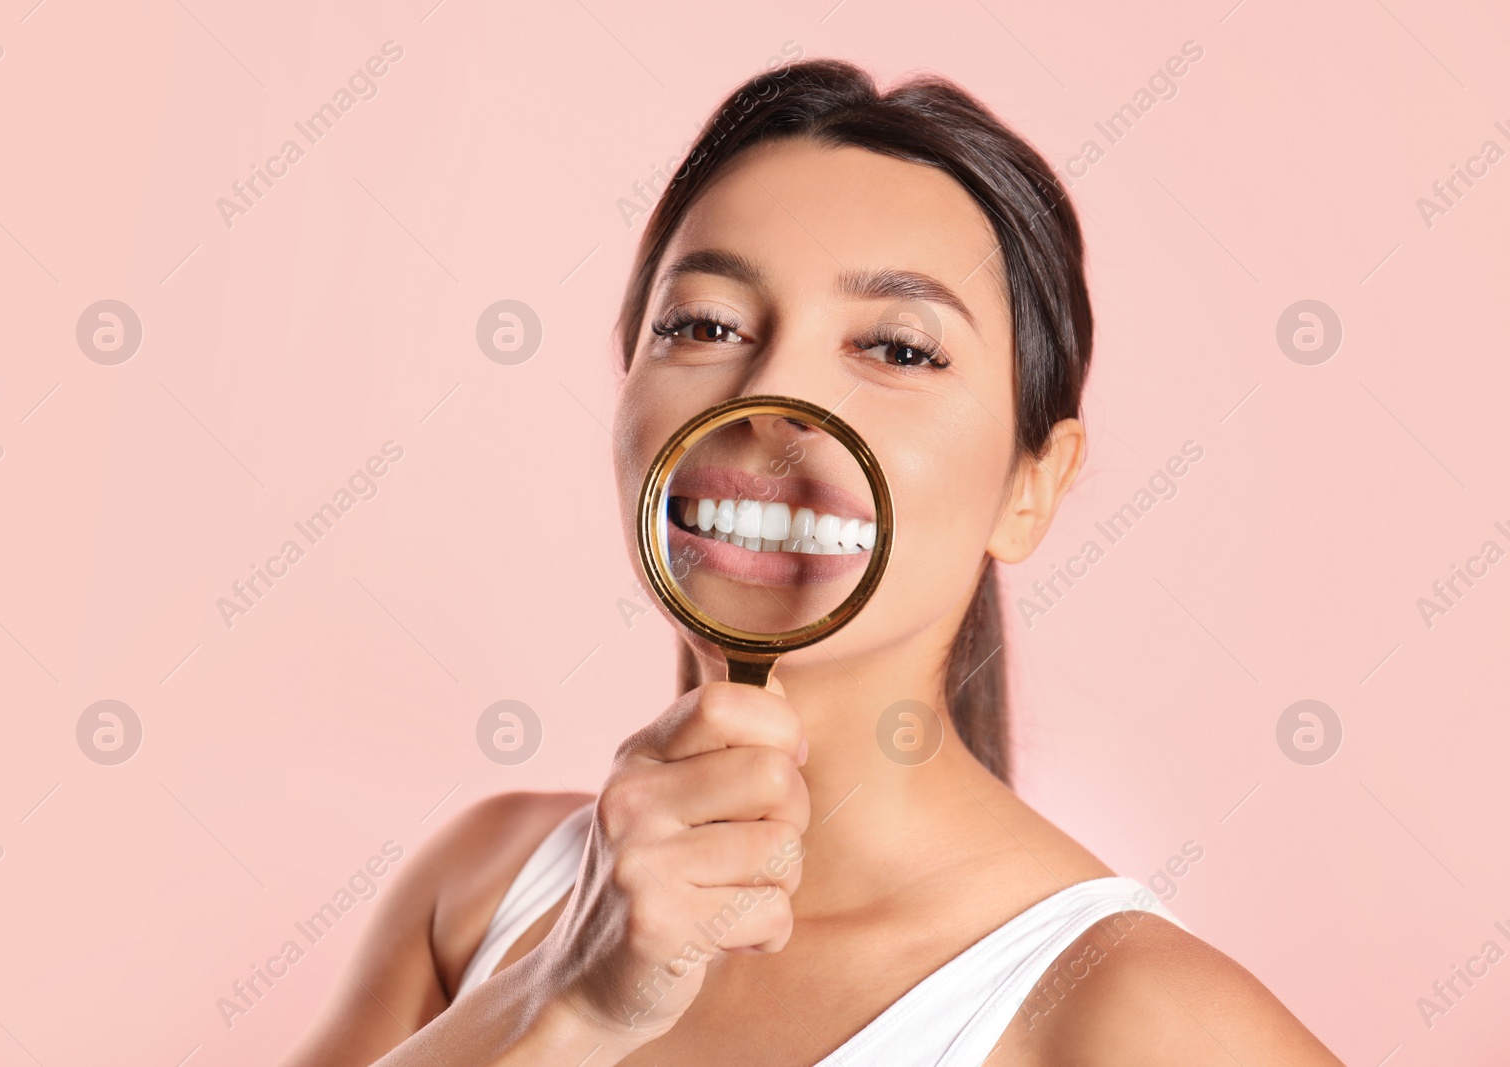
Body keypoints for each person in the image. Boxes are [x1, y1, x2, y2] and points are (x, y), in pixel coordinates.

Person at [278, 58, 1344, 1066]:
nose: (771, 403)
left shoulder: (1142, 1018)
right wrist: (563, 1000)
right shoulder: (478, 884)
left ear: (1035, 485)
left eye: (897, 347)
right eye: (703, 323)